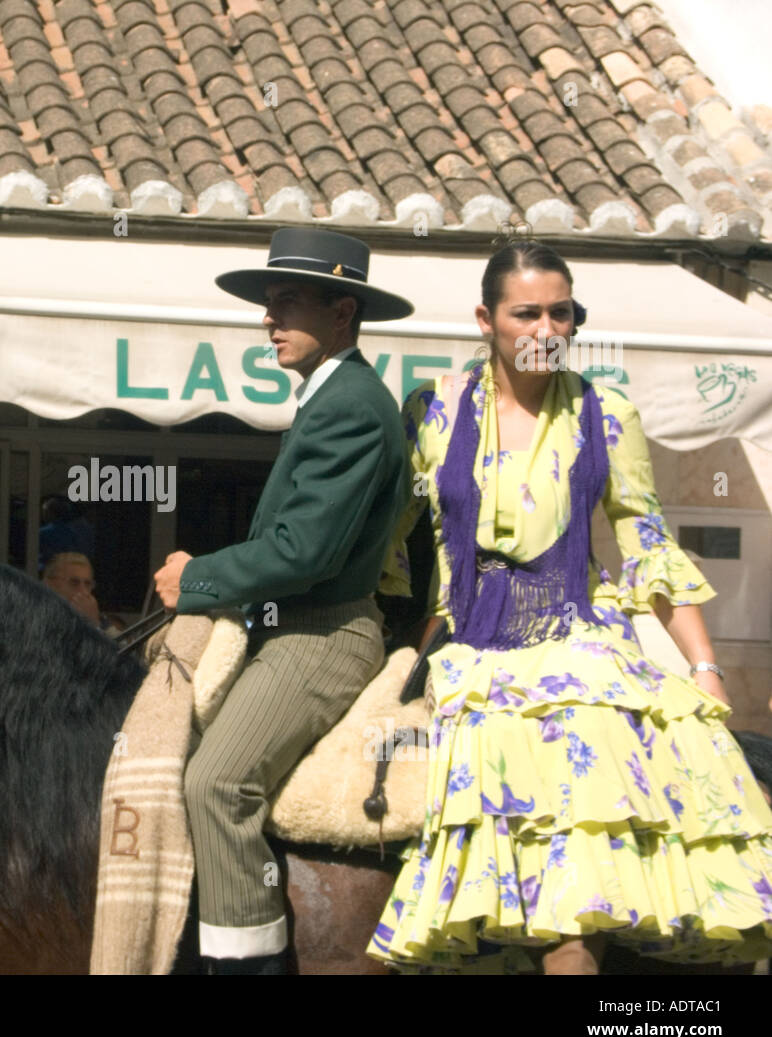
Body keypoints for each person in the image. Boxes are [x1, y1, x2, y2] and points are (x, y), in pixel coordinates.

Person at [368, 240, 772, 974]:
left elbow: (645, 540)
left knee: (576, 900)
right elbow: (384, 540)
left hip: (577, 646)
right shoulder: (431, 410)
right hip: (461, 646)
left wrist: (706, 666)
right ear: (486, 320)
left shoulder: (605, 410)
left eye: (561, 314)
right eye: (527, 314)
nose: (546, 330)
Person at [152, 228, 412, 974]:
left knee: (217, 782)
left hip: (321, 634)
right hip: (292, 627)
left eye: (288, 304)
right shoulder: (330, 397)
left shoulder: (352, 406)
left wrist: (197, 577)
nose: (270, 320)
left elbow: (305, 553)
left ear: (343, 314)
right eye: (270, 305)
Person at [42, 552, 123, 636]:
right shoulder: (35, 618)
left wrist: (94, 624)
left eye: (88, 584)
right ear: (49, 585)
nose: (83, 591)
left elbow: (122, 648)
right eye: (74, 582)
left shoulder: (101, 621)